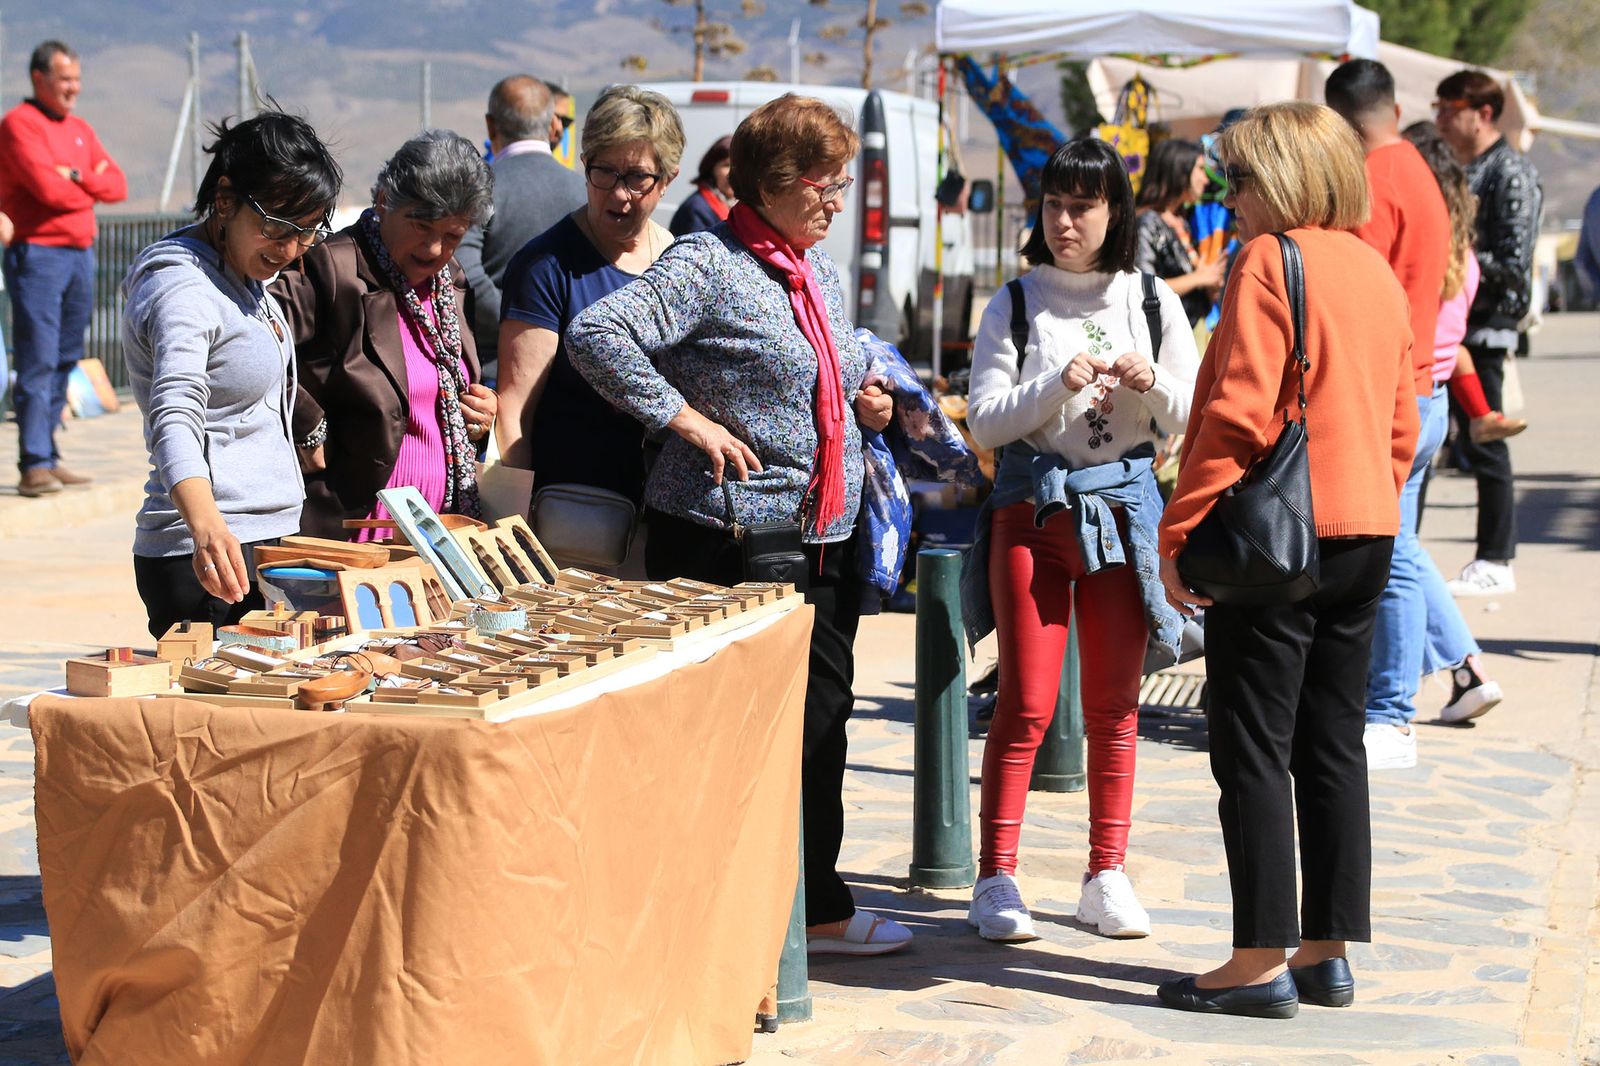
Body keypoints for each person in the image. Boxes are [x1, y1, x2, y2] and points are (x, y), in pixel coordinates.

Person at [565, 93, 909, 956]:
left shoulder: (813, 266)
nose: (837, 200)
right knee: (734, 736)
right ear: (777, 183)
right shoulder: (708, 263)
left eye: (841, 183)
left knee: (822, 724)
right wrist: (680, 416)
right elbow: (597, 332)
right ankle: (718, 915)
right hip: (729, 542)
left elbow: (815, 365)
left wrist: (857, 403)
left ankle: (813, 903)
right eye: (825, 185)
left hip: (820, 536)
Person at [1156, 102, 1418, 1019]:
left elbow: (1235, 415)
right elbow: (1402, 423)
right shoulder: (1373, 268)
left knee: (1254, 749)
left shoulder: (1270, 260)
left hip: (1277, 545)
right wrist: (1368, 501)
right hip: (1364, 534)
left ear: (1285, 181)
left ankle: (1256, 958)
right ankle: (1326, 952)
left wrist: (1178, 530)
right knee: (1331, 746)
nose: (1233, 199)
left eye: (1243, 181)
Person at [961, 137, 1197, 943]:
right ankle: (996, 878)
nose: (1065, 221)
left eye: (1082, 205)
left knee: (1114, 706)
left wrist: (1152, 381)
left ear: (1113, 212)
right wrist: (1050, 387)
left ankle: (1106, 874)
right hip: (1031, 514)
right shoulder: (1016, 302)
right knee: (1023, 704)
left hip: (1125, 519)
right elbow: (984, 420)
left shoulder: (1154, 300)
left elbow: (1192, 416)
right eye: (1053, 205)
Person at [123, 112, 342, 637]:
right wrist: (205, 526)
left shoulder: (241, 270)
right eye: (276, 229)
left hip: (258, 539)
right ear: (225, 200)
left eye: (306, 233)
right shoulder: (184, 290)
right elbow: (173, 414)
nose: (289, 252)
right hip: (211, 558)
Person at [1324, 58, 1455, 770]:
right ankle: (1460, 666)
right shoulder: (1417, 168)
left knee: (1394, 554)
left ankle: (1393, 713)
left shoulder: (1375, 183)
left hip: (1394, 392)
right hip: (1423, 384)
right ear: (1394, 110)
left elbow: (1356, 297)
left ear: (1341, 124)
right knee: (1403, 547)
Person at [273, 130, 498, 541]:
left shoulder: (452, 283)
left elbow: (444, 390)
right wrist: (308, 423)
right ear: (383, 201)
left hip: (437, 533)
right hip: (353, 530)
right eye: (421, 225)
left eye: (453, 235)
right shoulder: (331, 268)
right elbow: (256, 339)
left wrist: (481, 412)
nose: (433, 249)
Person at [495, 85, 681, 512]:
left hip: (660, 517)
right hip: (571, 512)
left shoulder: (677, 261)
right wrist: (513, 526)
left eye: (637, 178)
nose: (618, 194)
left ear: (667, 179)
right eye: (604, 172)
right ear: (585, 167)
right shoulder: (545, 266)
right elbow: (514, 414)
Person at [0, 41, 126, 498]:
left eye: (76, 78)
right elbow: (45, 191)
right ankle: (33, 462)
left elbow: (117, 184)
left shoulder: (79, 128)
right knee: (38, 355)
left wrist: (74, 176)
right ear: (40, 79)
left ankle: (49, 453)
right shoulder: (18, 125)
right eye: (65, 79)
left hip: (80, 253)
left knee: (65, 356)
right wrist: (83, 184)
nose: (74, 88)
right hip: (39, 254)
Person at [1434, 70, 1541, 597]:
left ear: (1483, 112)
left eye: (1449, 108)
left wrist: (1453, 259)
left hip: (1486, 326)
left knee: (1488, 441)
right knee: (1471, 441)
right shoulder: (1468, 167)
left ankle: (1497, 556)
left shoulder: (1509, 172)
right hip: (1459, 323)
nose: (1441, 119)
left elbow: (1515, 263)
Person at [454, 75, 586, 382]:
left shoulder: (479, 188)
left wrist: (516, 321)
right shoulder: (584, 192)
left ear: (491, 125)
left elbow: (463, 270)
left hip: (495, 371)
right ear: (554, 124)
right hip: (570, 374)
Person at [1133, 138, 1223, 328]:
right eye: (1200, 169)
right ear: (1180, 171)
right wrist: (1200, 278)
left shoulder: (1182, 219)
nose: (1206, 179)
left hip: (1193, 327)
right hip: (1164, 336)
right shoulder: (1147, 222)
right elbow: (1142, 287)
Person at [669, 135, 734, 236]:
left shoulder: (734, 205)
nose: (733, 173)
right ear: (712, 168)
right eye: (726, 165)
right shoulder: (696, 210)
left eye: (738, 166)